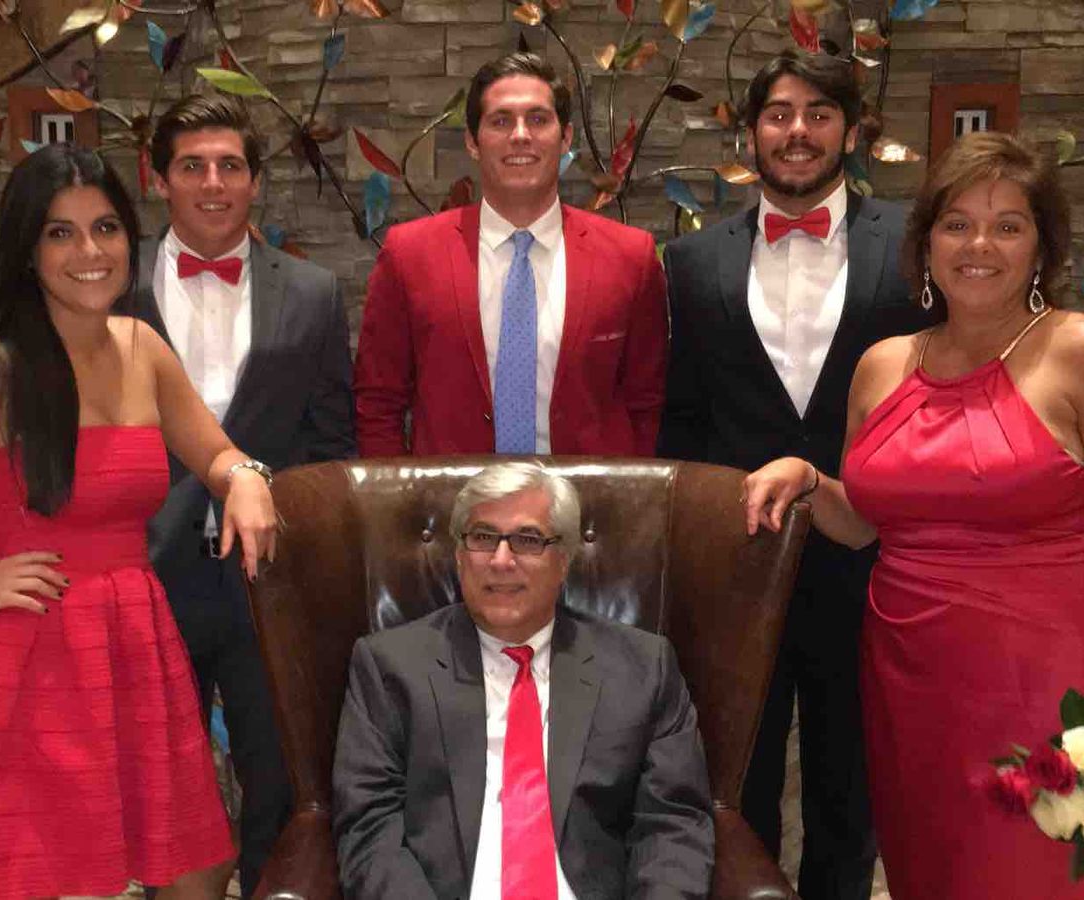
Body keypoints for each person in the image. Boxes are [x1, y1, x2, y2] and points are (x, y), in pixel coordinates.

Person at [0, 145, 278, 899]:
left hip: (131, 643)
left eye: (105, 227)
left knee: (194, 868)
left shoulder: (140, 346)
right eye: (60, 233)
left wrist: (245, 478)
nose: (90, 252)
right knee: (32, 873)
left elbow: (215, 452)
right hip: (21, 654)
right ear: (26, 250)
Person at [743, 131, 1084, 898]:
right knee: (928, 870)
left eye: (1007, 225)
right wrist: (808, 479)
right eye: (957, 223)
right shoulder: (884, 364)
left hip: (1044, 682)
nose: (979, 245)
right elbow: (864, 522)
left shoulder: (1074, 350)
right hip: (908, 680)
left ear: (1042, 246)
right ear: (926, 242)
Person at [656, 51, 934, 899]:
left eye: (818, 113)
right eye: (778, 114)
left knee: (851, 788)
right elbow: (683, 421)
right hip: (740, 558)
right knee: (736, 784)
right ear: (751, 134)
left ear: (851, 131)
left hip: (871, 556)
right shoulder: (691, 263)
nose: (797, 131)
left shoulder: (915, 245)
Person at [135, 94, 355, 897]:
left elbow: (332, 446)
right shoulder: (106, 283)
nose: (213, 183)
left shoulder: (314, 293)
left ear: (256, 181)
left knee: (284, 788)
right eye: (192, 166)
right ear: (158, 179)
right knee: (160, 797)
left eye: (230, 166)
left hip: (272, 581)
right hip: (142, 579)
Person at [332, 461, 714, 899]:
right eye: (482, 537)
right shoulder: (388, 667)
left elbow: (673, 825)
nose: (501, 560)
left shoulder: (643, 668)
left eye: (528, 540)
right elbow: (368, 827)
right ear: (459, 556)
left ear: (564, 561)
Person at [354, 52, 667, 457]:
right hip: (452, 495)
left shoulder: (630, 257)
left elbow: (647, 402)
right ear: (472, 142)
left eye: (538, 119)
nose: (520, 135)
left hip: (589, 496)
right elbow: (378, 403)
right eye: (501, 121)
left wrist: (626, 492)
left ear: (565, 138)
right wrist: (399, 495)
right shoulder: (409, 255)